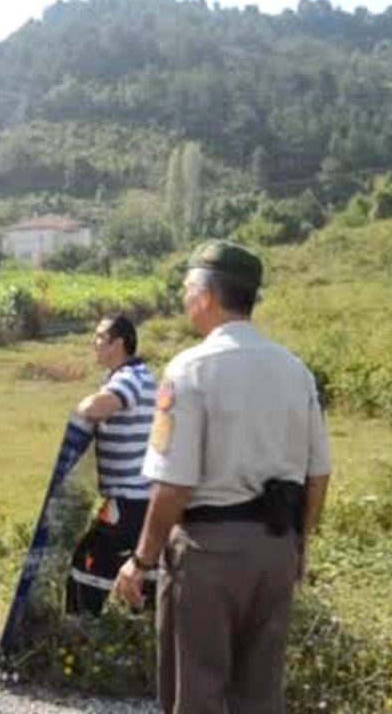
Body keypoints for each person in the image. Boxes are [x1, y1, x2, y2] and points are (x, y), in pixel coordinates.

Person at [113, 241, 332, 714]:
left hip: (208, 555)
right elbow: (318, 473)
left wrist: (141, 560)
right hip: (275, 549)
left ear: (207, 296)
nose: (183, 298)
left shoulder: (189, 369)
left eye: (187, 288)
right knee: (260, 695)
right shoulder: (295, 370)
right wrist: (299, 544)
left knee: (198, 693)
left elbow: (173, 485)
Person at [65, 314, 157, 615]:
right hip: (140, 497)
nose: (94, 343)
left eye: (100, 337)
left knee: (88, 564)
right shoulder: (135, 374)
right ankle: (139, 629)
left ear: (119, 343)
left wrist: (79, 409)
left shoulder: (129, 378)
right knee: (139, 571)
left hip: (129, 498)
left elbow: (94, 408)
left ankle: (82, 628)